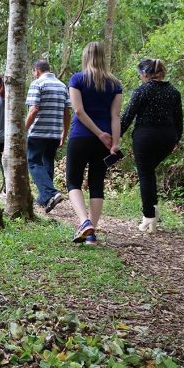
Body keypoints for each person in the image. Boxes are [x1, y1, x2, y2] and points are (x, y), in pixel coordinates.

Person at [65, 42, 123, 245]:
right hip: (105, 141)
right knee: (96, 183)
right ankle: (91, 234)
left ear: (86, 56)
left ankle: (84, 222)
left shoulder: (77, 79)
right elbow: (115, 116)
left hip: (80, 136)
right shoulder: (115, 84)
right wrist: (114, 142)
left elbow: (79, 111)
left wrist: (98, 133)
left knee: (73, 181)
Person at [121, 58, 183, 233]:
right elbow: (179, 121)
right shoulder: (174, 92)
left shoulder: (143, 90)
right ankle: (152, 214)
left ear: (146, 74)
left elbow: (127, 116)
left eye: (140, 74)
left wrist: (115, 137)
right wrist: (176, 140)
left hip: (146, 137)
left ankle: (149, 217)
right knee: (149, 173)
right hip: (167, 139)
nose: (140, 78)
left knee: (146, 174)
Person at [25, 59, 71, 212]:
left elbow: (34, 110)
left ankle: (51, 193)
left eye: (33, 73)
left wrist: (23, 130)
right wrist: (64, 133)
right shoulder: (62, 86)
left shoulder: (37, 84)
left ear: (36, 71)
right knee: (47, 162)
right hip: (55, 133)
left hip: (38, 132)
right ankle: (45, 198)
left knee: (33, 162)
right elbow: (67, 112)